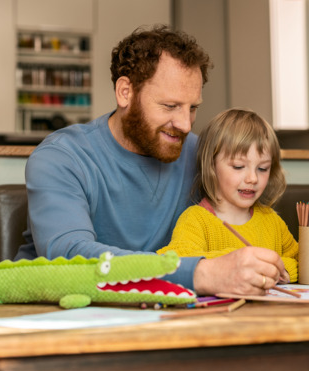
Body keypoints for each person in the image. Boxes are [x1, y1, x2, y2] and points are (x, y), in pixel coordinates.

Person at [15, 25, 288, 296]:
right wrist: (202, 273)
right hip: (62, 315)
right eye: (170, 106)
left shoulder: (203, 155)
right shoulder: (61, 158)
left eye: (193, 108)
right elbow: (71, 258)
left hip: (165, 313)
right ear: (125, 92)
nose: (184, 124)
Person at [157, 108, 298, 285]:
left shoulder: (272, 221)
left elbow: (302, 261)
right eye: (239, 166)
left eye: (262, 168)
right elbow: (177, 261)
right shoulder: (195, 220)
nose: (253, 178)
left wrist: (282, 268)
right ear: (211, 165)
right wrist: (234, 261)